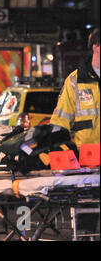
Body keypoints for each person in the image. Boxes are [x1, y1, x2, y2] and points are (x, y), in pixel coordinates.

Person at [50, 27, 99, 236]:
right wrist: (55, 151)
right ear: (96, 47)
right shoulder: (75, 81)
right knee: (87, 211)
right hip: (87, 156)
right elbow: (60, 119)